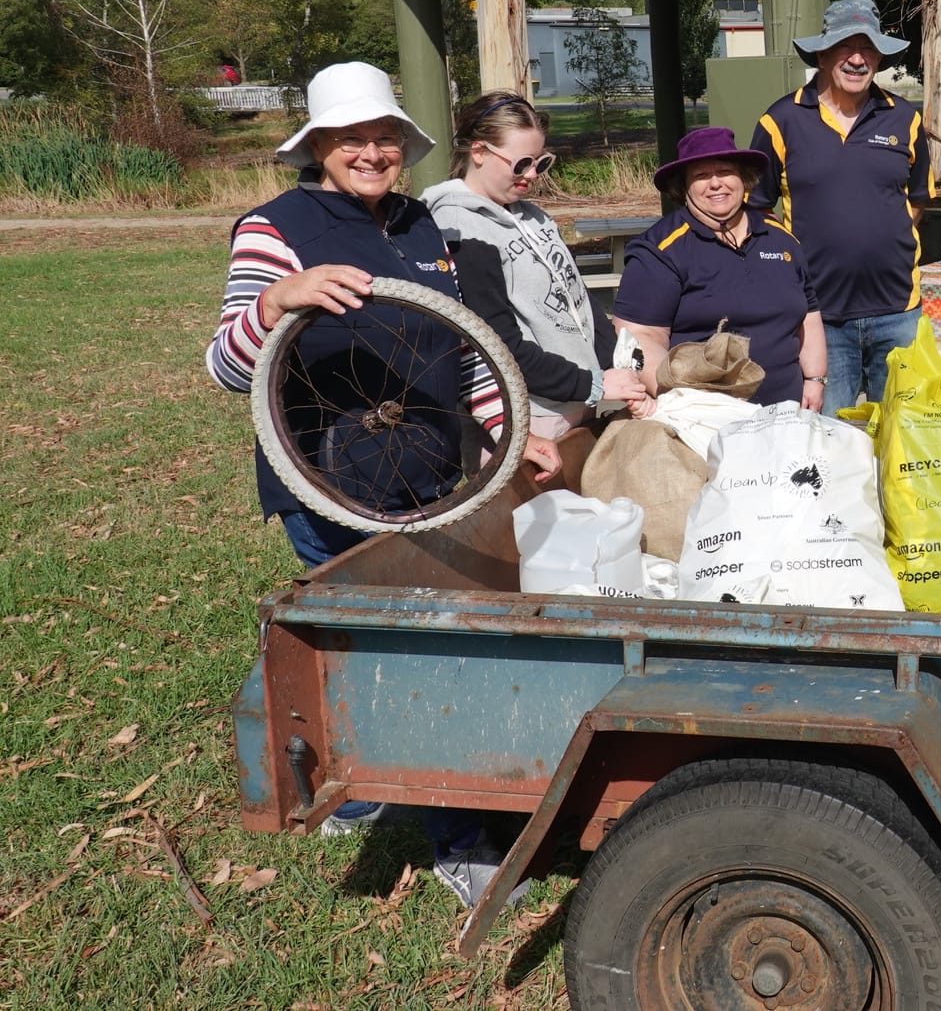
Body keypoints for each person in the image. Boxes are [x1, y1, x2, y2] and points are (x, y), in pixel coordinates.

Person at [204, 61, 561, 909]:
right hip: (336, 479)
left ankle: (362, 790)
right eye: (351, 138)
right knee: (412, 657)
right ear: (318, 145)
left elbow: (463, 347)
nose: (371, 152)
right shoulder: (273, 228)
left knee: (402, 647)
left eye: (384, 137)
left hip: (435, 476)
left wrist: (514, 433)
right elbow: (226, 365)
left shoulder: (417, 223)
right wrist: (278, 300)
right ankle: (460, 841)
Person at [422, 92, 648, 438]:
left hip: (580, 402)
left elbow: (579, 302)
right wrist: (594, 383)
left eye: (540, 163)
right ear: (479, 152)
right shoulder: (459, 227)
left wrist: (614, 368)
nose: (531, 175)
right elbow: (495, 342)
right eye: (521, 163)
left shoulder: (534, 217)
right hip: (531, 419)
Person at [748, 0, 930, 411]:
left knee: (903, 440)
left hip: (899, 311)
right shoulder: (781, 120)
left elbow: (917, 201)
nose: (857, 59)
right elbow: (757, 205)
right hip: (820, 318)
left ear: (880, 59)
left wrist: (880, 240)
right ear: (822, 54)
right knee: (829, 441)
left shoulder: (904, 118)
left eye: (868, 49)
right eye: (845, 47)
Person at [616, 126, 827, 410]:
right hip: (705, 423)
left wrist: (815, 378)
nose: (716, 183)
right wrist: (675, 398)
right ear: (684, 187)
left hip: (788, 416)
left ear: (744, 178)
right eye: (701, 176)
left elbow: (808, 316)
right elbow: (638, 336)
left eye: (725, 171)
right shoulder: (659, 250)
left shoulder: (781, 238)